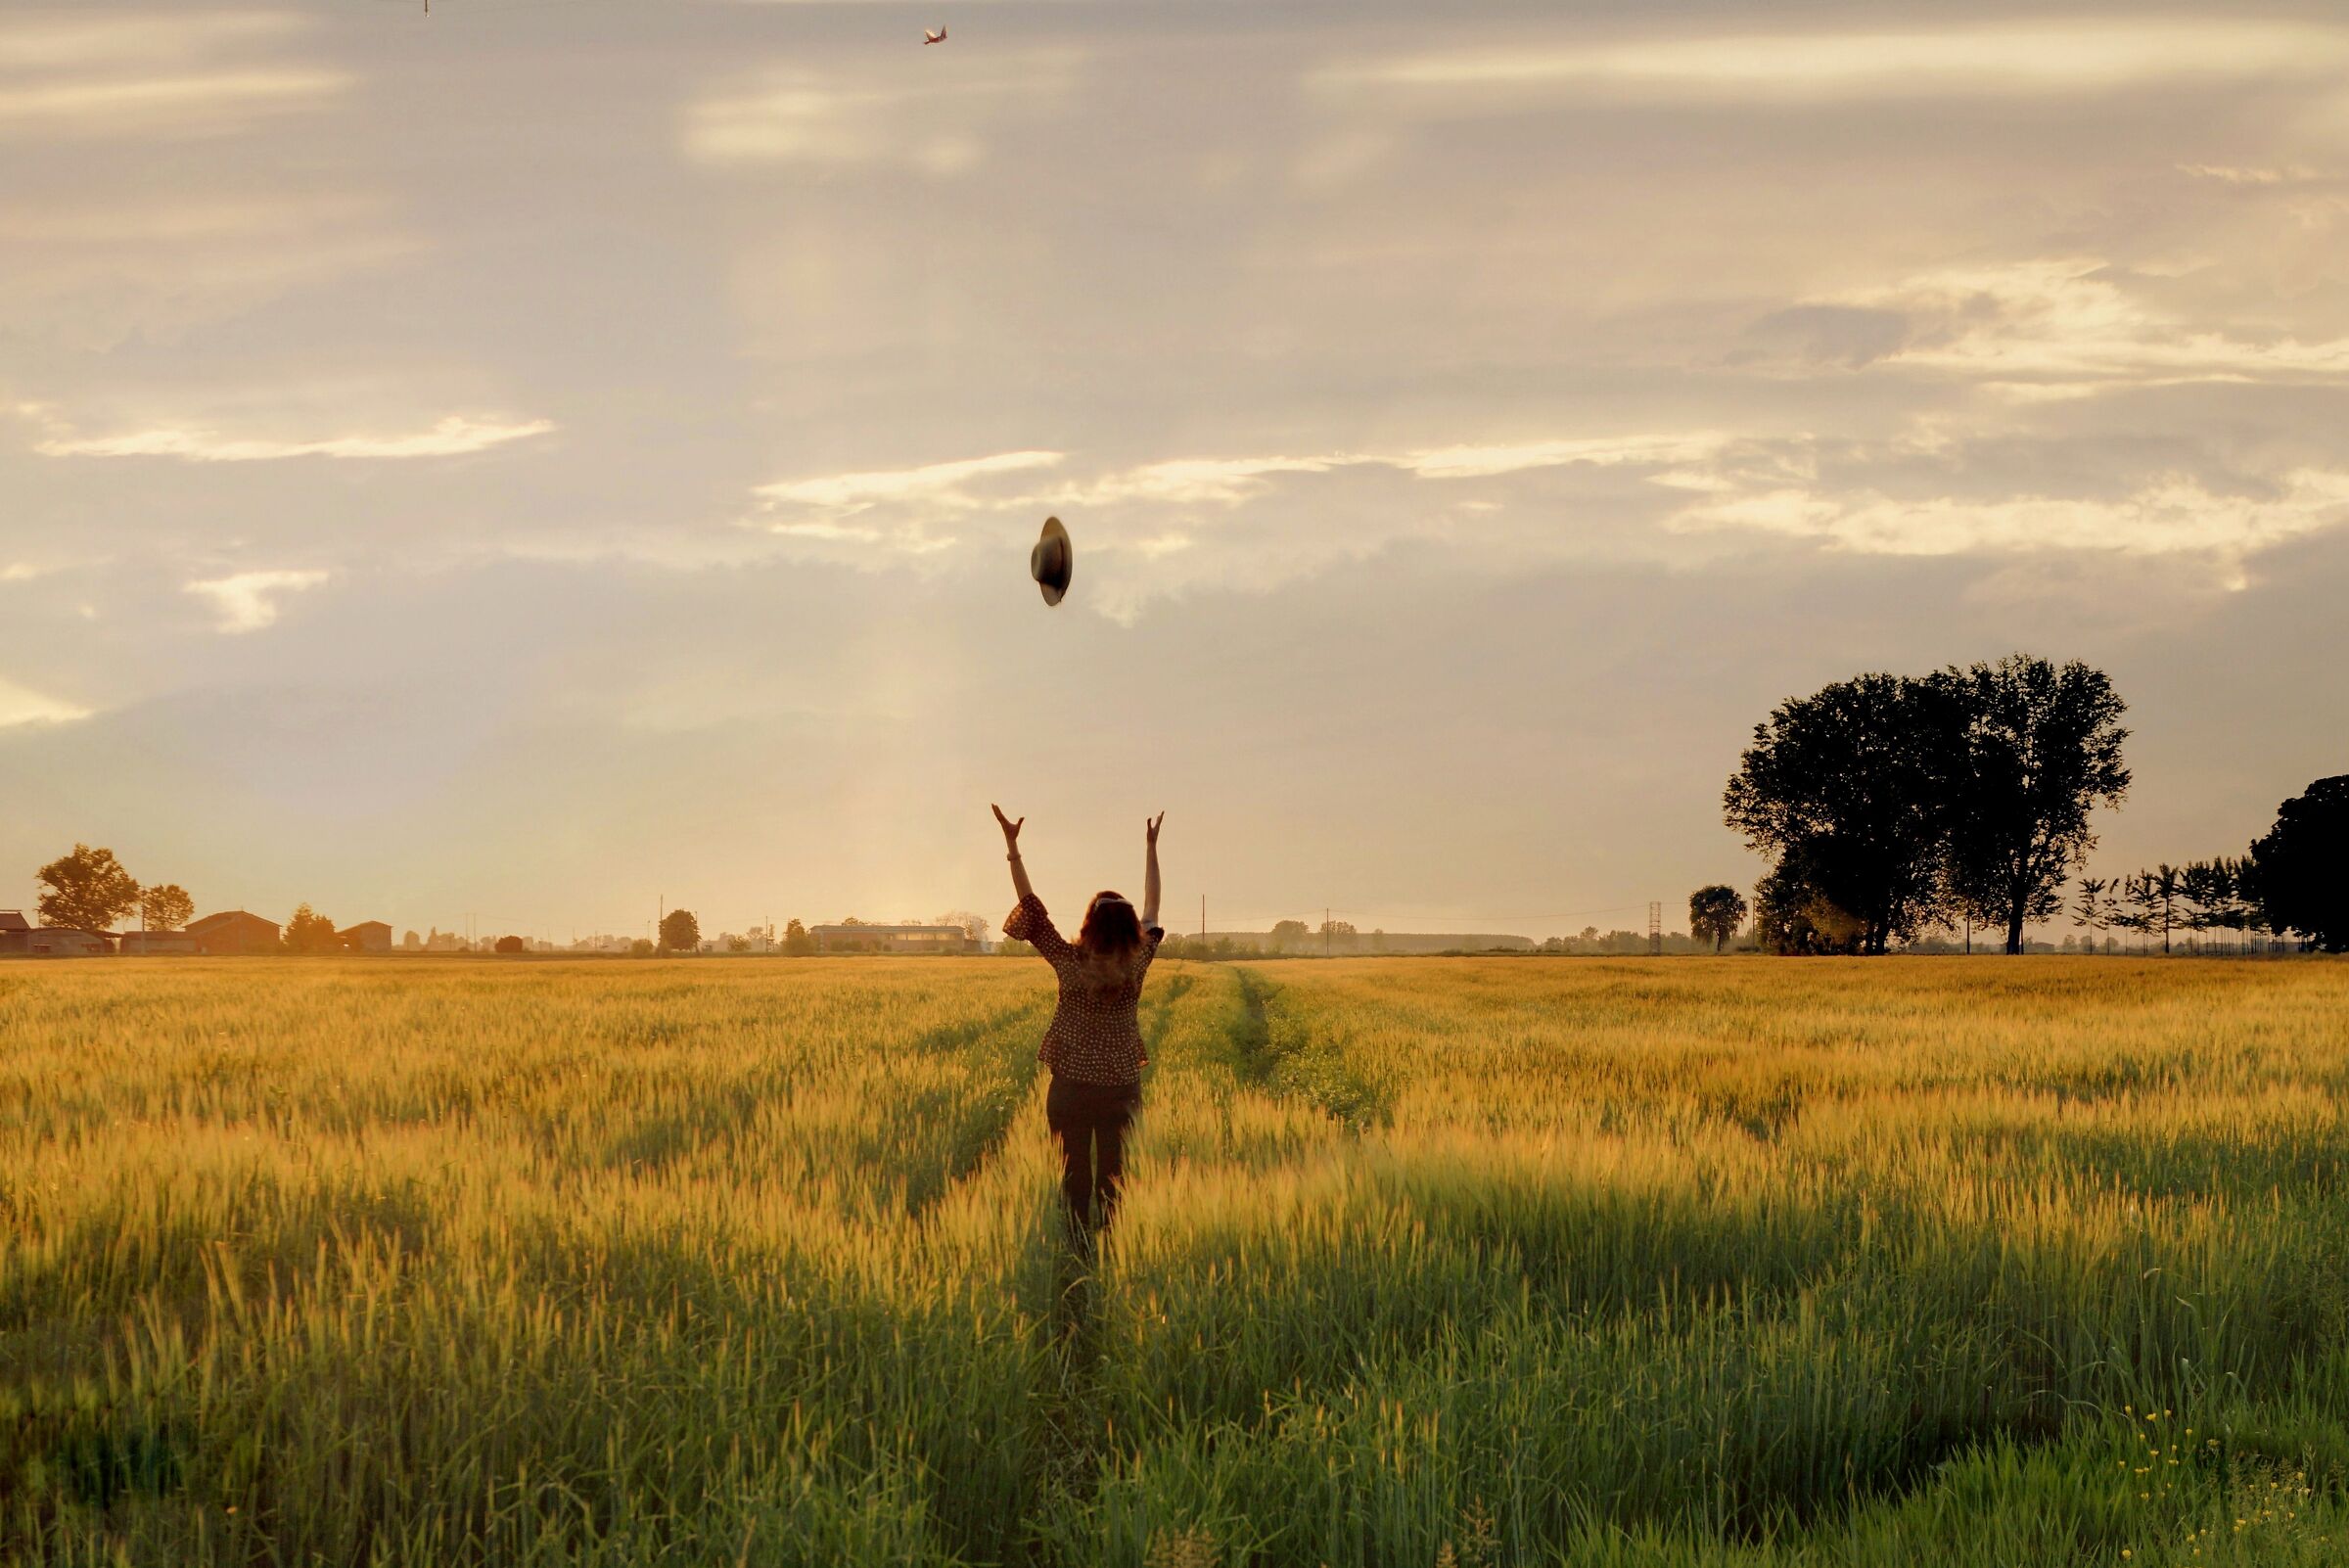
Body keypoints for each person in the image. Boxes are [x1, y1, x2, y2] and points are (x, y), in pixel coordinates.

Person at [992, 803, 1164, 1239]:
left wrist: (1013, 847)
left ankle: (1076, 1250)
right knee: (1113, 1179)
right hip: (1120, 1090)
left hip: (1069, 1089)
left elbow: (1031, 908)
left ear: (1089, 924)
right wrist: (1150, 847)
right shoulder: (1137, 962)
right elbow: (1153, 908)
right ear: (1129, 931)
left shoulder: (1068, 961)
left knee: (1074, 1179)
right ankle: (1108, 1247)